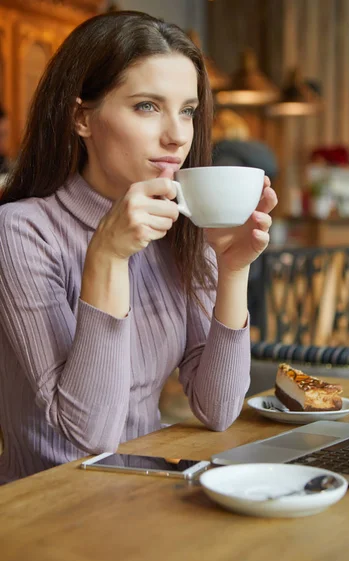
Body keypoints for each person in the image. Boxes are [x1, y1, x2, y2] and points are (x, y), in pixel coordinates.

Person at [0, 11, 277, 484]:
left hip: (152, 490)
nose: (177, 134)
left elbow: (218, 409)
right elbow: (91, 434)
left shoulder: (180, 228)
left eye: (187, 110)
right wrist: (107, 257)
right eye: (148, 105)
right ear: (81, 117)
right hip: (49, 512)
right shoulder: (24, 231)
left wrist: (232, 270)